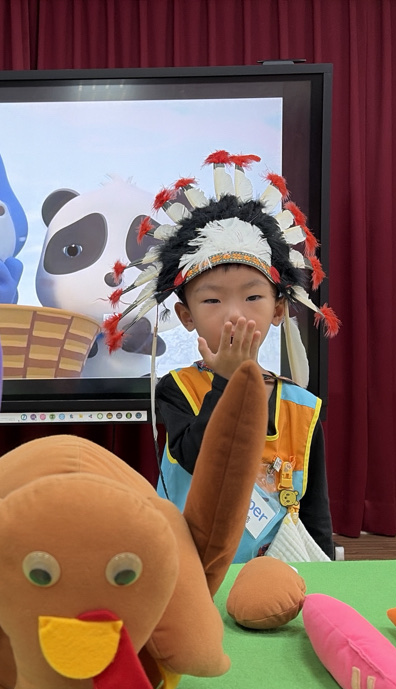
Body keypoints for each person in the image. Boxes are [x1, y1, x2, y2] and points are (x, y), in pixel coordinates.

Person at [105, 151, 340, 562]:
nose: (234, 314)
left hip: (272, 578)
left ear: (278, 310)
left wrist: (325, 577)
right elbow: (199, 459)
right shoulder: (178, 390)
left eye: (252, 297)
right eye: (212, 300)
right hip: (189, 571)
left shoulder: (303, 408)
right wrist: (227, 380)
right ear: (186, 316)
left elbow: (315, 515)